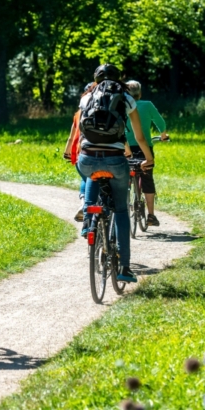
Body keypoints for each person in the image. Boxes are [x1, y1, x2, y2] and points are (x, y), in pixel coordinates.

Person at [76, 64, 153, 283]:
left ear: (96, 78)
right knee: (120, 209)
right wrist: (148, 158)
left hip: (87, 158)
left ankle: (89, 219)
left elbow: (82, 133)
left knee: (92, 175)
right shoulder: (127, 99)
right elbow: (138, 137)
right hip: (116, 159)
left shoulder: (86, 97)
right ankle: (125, 268)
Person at [124, 80, 168, 226]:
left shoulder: (122, 105)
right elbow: (160, 121)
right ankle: (151, 215)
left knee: (123, 177)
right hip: (144, 148)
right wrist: (163, 134)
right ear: (140, 93)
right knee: (147, 178)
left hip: (125, 148)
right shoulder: (147, 105)